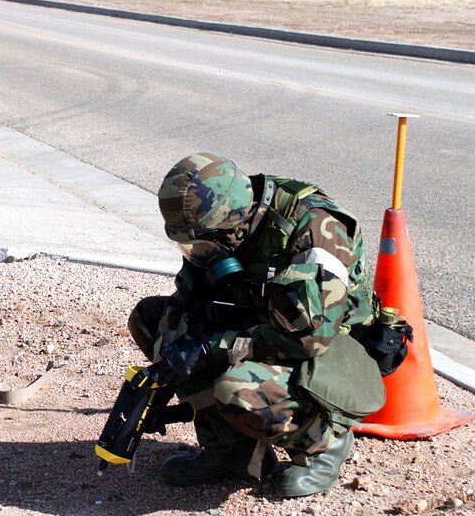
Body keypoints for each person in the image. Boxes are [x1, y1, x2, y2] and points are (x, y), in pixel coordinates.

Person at [128, 152, 385, 497]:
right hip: (263, 320)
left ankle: (322, 443)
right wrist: (166, 367)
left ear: (235, 225)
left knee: (237, 391)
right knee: (152, 321)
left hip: (328, 345)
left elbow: (309, 337)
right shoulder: (220, 222)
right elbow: (186, 298)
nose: (197, 251)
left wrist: (210, 348)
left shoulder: (315, 229)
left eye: (201, 242)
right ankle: (231, 450)